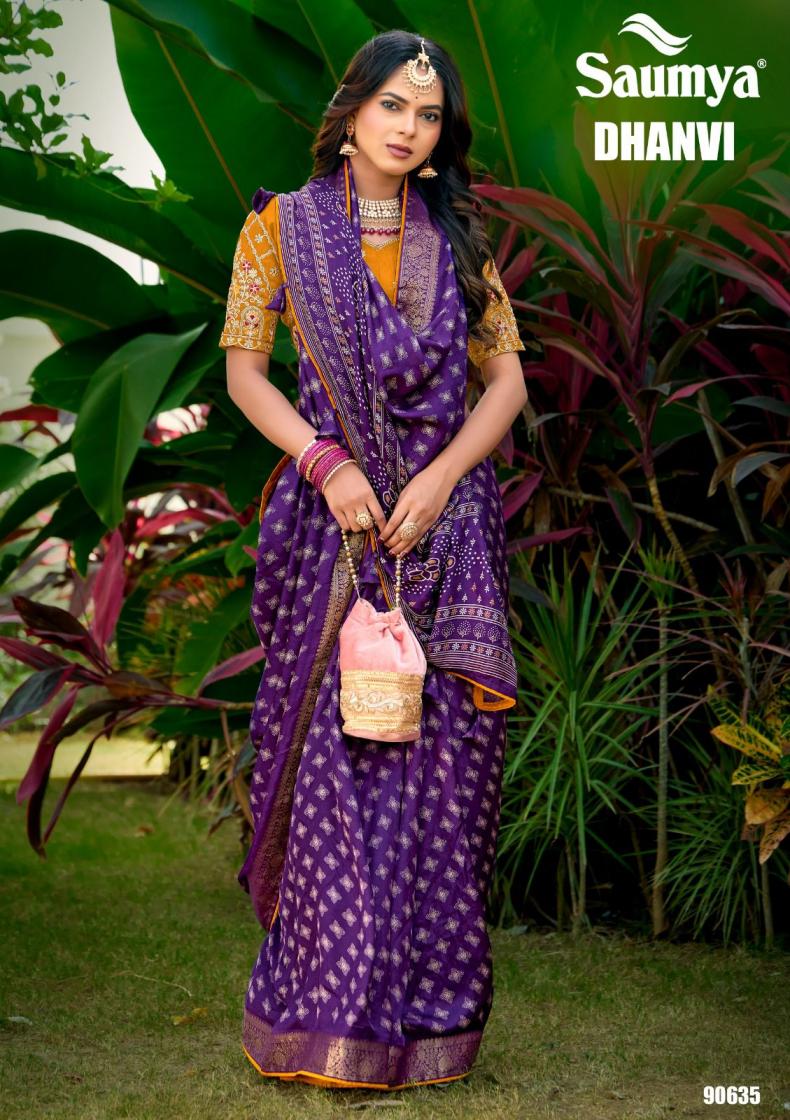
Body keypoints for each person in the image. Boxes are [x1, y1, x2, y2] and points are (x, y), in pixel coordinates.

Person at [219, 29, 528, 1091]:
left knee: (440, 776)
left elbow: (506, 385)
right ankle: (330, 1015)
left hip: (444, 536)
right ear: (350, 112)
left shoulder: (459, 240)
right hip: (333, 533)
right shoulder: (281, 229)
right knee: (336, 770)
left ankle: (430, 1020)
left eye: (428, 114)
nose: (408, 127)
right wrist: (324, 462)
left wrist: (439, 480)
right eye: (392, 104)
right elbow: (246, 372)